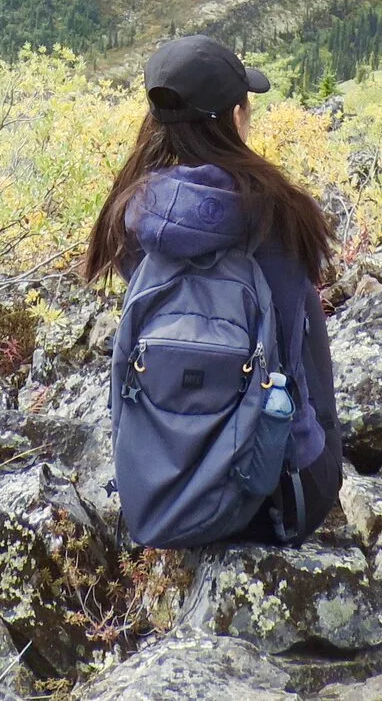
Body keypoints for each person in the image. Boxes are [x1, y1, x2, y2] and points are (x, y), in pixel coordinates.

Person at [80, 34, 342, 544]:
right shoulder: (281, 212)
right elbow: (299, 351)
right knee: (300, 329)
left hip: (159, 489)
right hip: (276, 498)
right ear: (235, 117)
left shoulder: (132, 214)